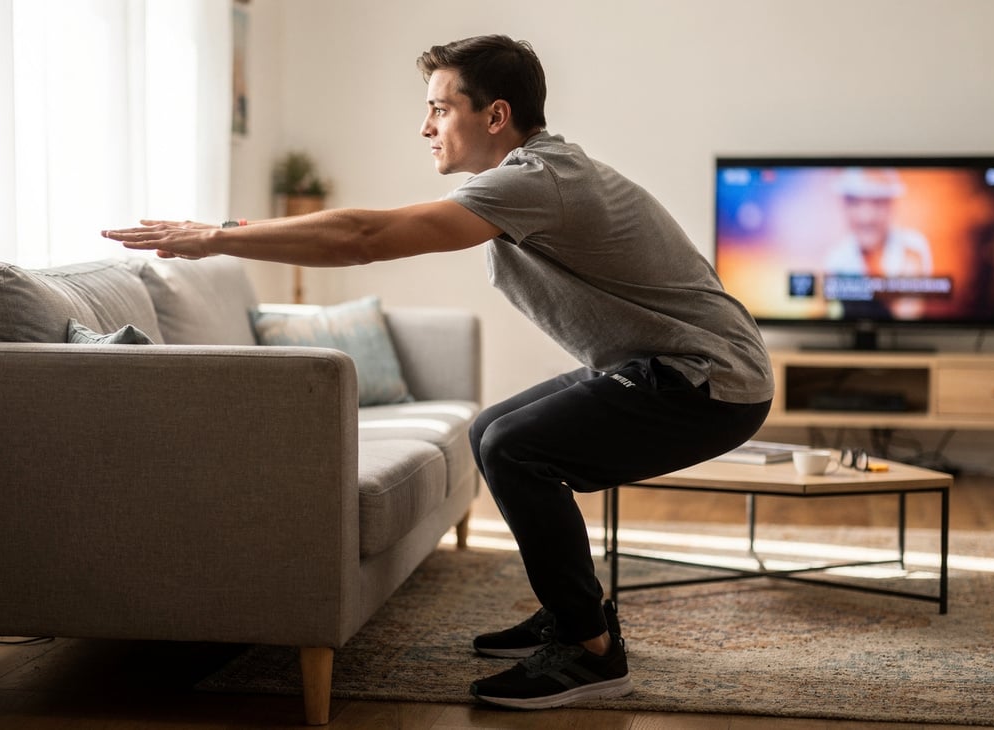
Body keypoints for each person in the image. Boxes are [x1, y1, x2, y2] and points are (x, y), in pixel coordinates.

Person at [102, 34, 774, 710]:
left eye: (440, 109)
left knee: (517, 448)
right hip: (663, 365)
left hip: (709, 378)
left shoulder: (537, 181)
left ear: (495, 116)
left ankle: (591, 652)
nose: (425, 127)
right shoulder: (533, 176)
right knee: (493, 431)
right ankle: (575, 610)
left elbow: (365, 238)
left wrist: (217, 236)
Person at [822, 168, 933, 320]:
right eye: (856, 203)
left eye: (877, 203)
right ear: (845, 207)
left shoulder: (912, 247)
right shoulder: (836, 258)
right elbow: (832, 316)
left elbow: (908, 318)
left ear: (890, 206)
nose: (866, 217)